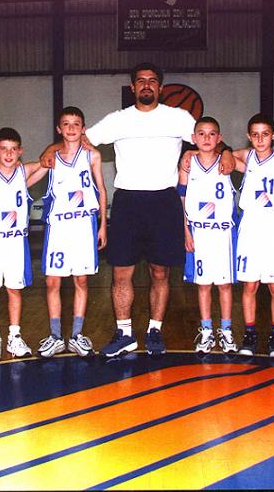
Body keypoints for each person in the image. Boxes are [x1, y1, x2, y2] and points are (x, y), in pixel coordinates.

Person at [41, 62, 235, 358]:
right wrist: (51, 149)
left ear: (160, 87)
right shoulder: (118, 120)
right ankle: (124, 333)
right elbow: (78, 139)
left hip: (164, 201)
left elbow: (206, 138)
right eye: (141, 80)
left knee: (160, 272)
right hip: (128, 202)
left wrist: (227, 151)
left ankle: (155, 330)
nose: (146, 85)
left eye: (152, 80)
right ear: (133, 87)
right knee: (121, 272)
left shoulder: (178, 117)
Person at [36, 108, 107, 358]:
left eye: (76, 124)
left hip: (84, 225)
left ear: (83, 128)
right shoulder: (52, 158)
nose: (71, 128)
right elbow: (24, 176)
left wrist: (103, 225)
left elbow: (101, 190)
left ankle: (77, 335)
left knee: (81, 280)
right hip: (58, 226)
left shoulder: (93, 155)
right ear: (59, 129)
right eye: (66, 124)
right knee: (52, 281)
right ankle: (56, 336)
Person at [0, 127, 49, 361]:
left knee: (14, 290)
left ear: (20, 151)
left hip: (16, 242)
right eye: (3, 149)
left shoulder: (23, 173)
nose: (8, 154)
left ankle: (15, 336)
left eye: (13, 149)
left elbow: (48, 161)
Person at [179, 117, 237, 353]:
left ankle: (226, 331)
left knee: (224, 285)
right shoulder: (187, 164)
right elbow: (182, 200)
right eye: (201, 134)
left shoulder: (228, 162)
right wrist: (186, 231)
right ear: (193, 138)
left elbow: (258, 156)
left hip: (223, 233)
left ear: (219, 138)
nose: (206, 138)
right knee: (203, 285)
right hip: (198, 232)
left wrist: (228, 151)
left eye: (212, 134)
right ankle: (206, 331)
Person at [232, 114, 274, 357]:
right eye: (255, 134)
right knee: (250, 284)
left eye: (265, 134)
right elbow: (223, 154)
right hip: (250, 224)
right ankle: (250, 334)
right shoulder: (246, 157)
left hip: (273, 224)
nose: (260, 139)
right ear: (248, 136)